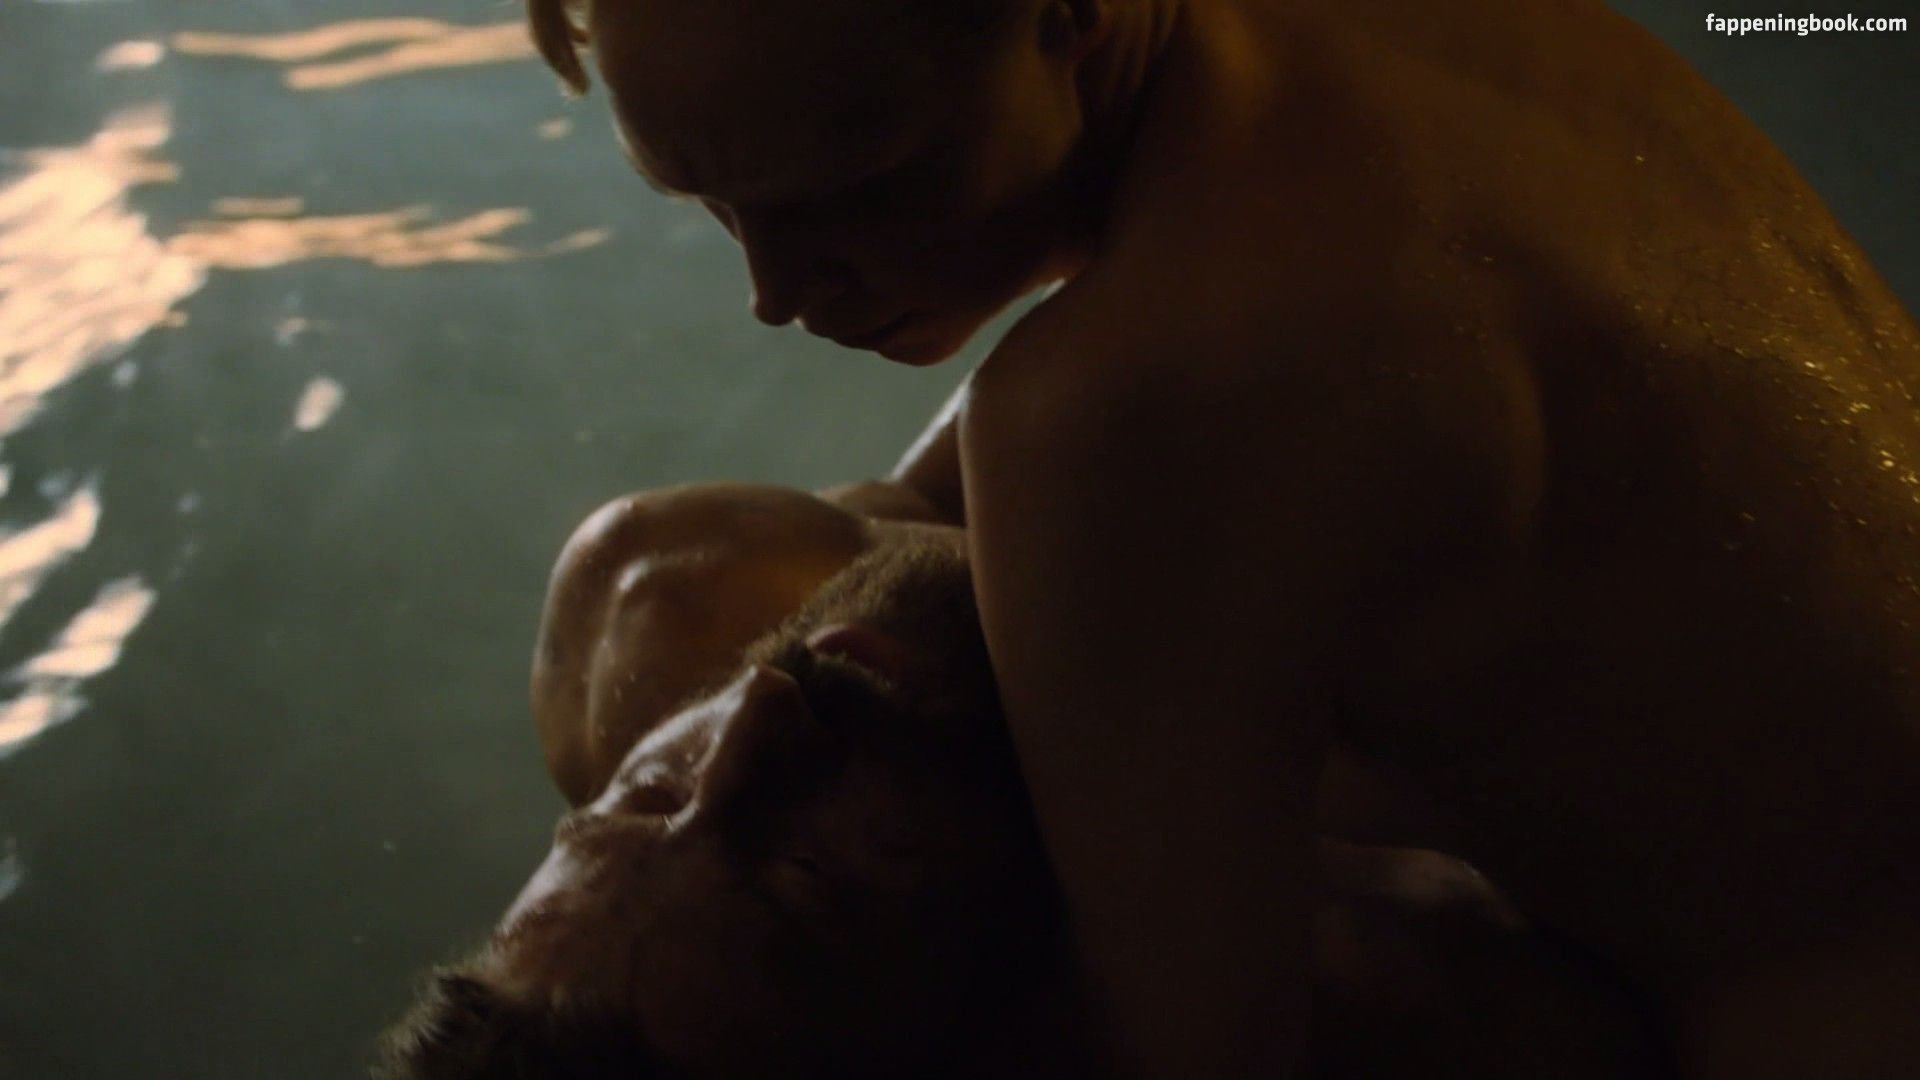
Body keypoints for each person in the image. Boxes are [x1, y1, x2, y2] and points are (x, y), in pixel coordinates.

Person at [522, 0, 1920, 1073]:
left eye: (854, 185)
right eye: (705, 198)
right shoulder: (1295, 80)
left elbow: (1198, 1061)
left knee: (689, 654)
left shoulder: (1145, 385)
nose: (774, 290)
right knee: (678, 591)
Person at [380, 485, 1667, 1077]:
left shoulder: (674, 609)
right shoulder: (1401, 964)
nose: (760, 711)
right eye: (802, 871)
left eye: (645, 798)